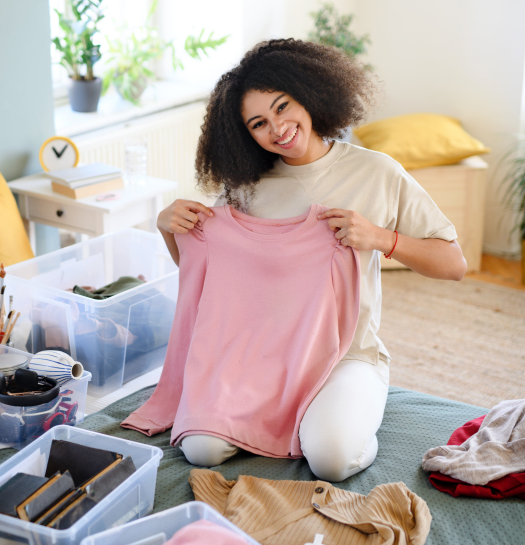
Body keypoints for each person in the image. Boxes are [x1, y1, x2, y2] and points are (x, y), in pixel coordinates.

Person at [157, 39, 467, 481]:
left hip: (346, 356)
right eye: (259, 123)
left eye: (283, 107)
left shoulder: (377, 172)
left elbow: (454, 264)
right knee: (200, 449)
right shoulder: (247, 186)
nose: (278, 128)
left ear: (309, 94)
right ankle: (292, 422)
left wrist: (380, 238)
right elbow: (207, 273)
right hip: (262, 357)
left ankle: (344, 417)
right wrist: (169, 228)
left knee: (331, 459)